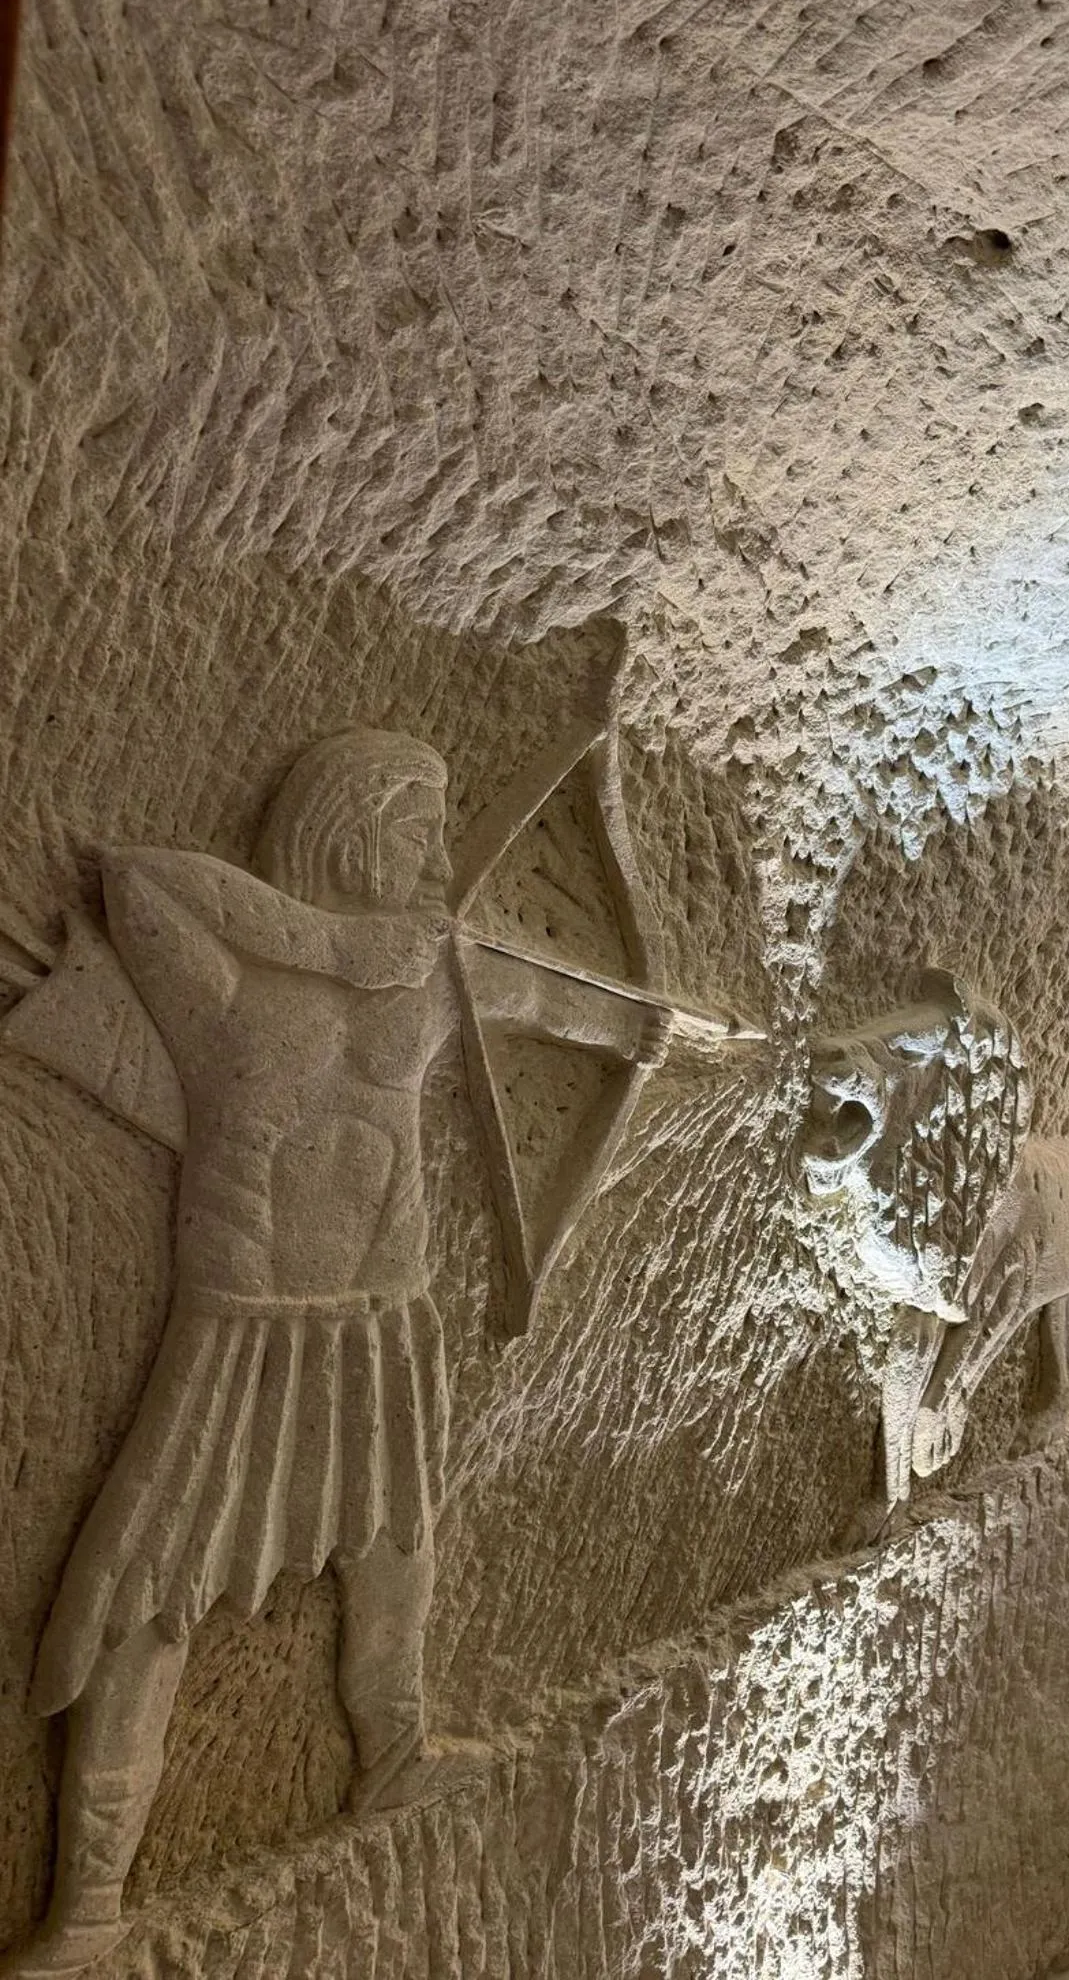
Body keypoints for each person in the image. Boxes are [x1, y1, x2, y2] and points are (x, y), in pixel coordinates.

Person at [2, 729, 664, 1978]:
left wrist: (635, 1032)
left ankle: (391, 1755)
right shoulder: (230, 986)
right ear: (351, 833)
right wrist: (330, 943)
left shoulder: (428, 981)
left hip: (384, 1313)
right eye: (414, 831)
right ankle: (89, 1904)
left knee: (397, 1538)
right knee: (151, 1587)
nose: (433, 858)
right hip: (250, 1322)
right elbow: (141, 878)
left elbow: (550, 998)